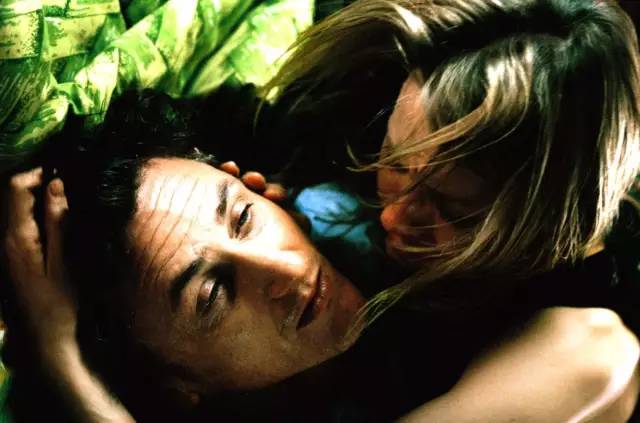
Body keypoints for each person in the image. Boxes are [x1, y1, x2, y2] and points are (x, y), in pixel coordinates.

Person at [2, 91, 639, 422]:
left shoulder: (376, 215)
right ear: (175, 388)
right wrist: (61, 358)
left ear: (262, 188)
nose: (285, 269)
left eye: (245, 217)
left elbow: (598, 356)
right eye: (214, 293)